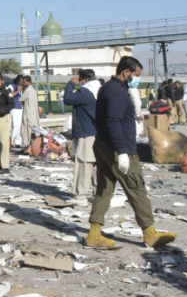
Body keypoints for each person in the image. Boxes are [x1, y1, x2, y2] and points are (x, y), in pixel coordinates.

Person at [86, 56, 176, 249]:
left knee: (104, 189)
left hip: (103, 145)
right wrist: (122, 151)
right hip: (119, 149)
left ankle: (94, 233)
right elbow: (113, 122)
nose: (137, 79)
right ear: (126, 72)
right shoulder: (117, 92)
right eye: (136, 75)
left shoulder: (107, 88)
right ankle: (149, 233)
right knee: (137, 189)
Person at [64, 69, 99, 196]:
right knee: (96, 165)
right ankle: (98, 193)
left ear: (84, 80)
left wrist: (70, 84)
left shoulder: (85, 91)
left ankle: (81, 195)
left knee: (83, 164)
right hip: (97, 132)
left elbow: (67, 99)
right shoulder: (100, 89)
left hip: (85, 132)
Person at [19, 75, 39, 150]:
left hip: (28, 114)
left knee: (26, 132)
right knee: (33, 132)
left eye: (24, 81)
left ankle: (25, 148)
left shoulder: (27, 90)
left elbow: (21, 99)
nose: (23, 83)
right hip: (33, 114)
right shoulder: (33, 90)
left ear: (28, 81)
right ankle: (32, 148)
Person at [10, 75, 24, 147]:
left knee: (20, 125)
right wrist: (17, 91)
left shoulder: (20, 87)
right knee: (16, 125)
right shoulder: (11, 86)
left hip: (20, 107)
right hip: (14, 107)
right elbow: (9, 95)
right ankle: (12, 140)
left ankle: (18, 141)